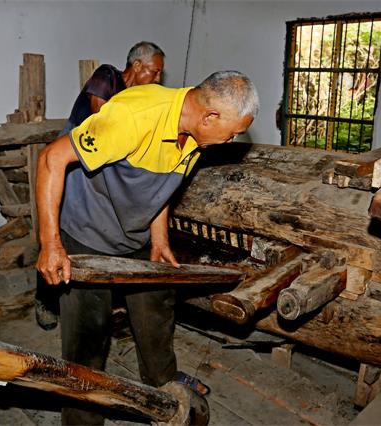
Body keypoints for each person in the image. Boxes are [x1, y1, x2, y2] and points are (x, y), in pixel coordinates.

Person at [36, 70, 259, 425]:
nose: (231, 141)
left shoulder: (194, 133)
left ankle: (161, 388)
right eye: (232, 133)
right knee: (88, 340)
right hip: (88, 229)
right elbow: (51, 158)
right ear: (210, 116)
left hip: (134, 234)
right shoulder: (135, 116)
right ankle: (81, 421)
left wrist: (159, 240)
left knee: (157, 308)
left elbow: (162, 185)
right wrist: (50, 244)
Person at [35, 41, 165, 330]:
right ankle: (45, 299)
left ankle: (107, 301)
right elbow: (99, 117)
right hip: (71, 164)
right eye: (155, 73)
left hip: (100, 169)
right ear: (137, 66)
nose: (157, 80)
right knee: (60, 232)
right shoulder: (108, 75)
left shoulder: (139, 99)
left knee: (104, 235)